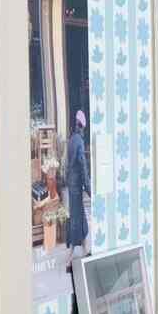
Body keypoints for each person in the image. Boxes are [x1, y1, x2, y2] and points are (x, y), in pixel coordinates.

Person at [66, 109, 90, 269]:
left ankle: (86, 248)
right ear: (82, 126)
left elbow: (68, 164)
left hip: (71, 184)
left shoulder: (71, 140)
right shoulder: (79, 142)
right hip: (76, 187)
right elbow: (82, 166)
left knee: (80, 216)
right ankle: (70, 257)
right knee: (76, 219)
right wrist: (88, 187)